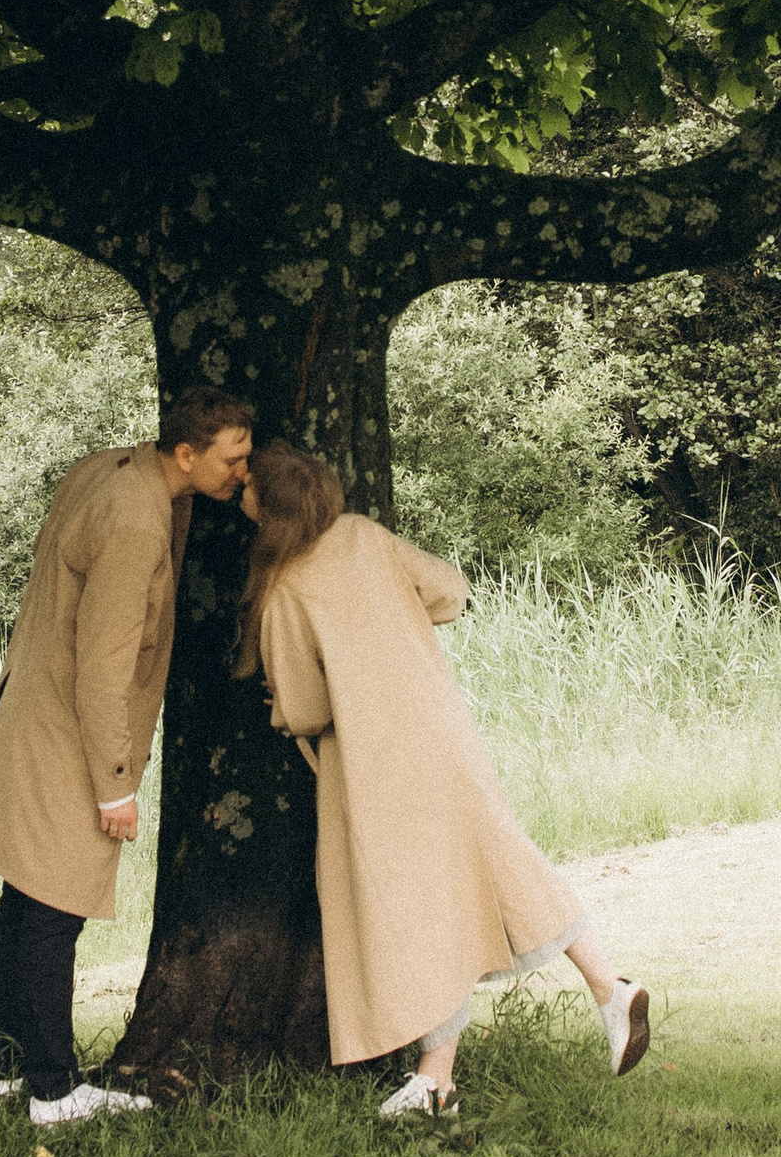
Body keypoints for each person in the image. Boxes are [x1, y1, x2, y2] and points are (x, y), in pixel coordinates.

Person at [239, 439, 651, 1120]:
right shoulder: (363, 536)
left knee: (415, 908)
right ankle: (607, 988)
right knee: (505, 864)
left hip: (374, 766)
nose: (241, 496)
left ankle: (437, 1081)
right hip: (441, 732)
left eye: (248, 488)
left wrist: (283, 706)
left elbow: (306, 709)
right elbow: (450, 591)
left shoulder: (285, 586)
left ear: (270, 508)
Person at [0, 387, 255, 1124]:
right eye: (233, 458)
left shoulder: (112, 470)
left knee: (25, 895)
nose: (244, 472)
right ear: (184, 454)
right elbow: (104, 665)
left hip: (37, 710)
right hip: (70, 731)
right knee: (56, 906)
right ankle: (54, 1090)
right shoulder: (134, 520)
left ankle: (3, 1071)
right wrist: (115, 784)